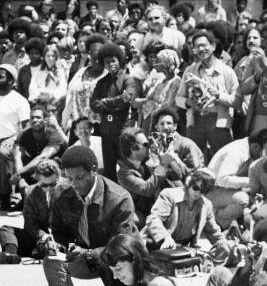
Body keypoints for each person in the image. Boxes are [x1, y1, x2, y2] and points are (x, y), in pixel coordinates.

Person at [41, 146, 138, 286]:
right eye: (69, 178)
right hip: (83, 257)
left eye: (80, 177)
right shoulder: (62, 194)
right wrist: (55, 245)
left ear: (94, 170)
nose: (74, 184)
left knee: (115, 267)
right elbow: (59, 231)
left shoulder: (119, 198)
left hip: (118, 260)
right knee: (51, 263)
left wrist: (88, 253)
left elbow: (120, 250)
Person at [177, 31, 239, 159]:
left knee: (221, 160)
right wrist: (188, 103)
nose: (201, 49)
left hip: (218, 122)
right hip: (195, 121)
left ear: (213, 46)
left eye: (204, 45)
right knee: (193, 160)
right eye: (197, 46)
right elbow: (178, 98)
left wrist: (218, 95)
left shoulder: (227, 71)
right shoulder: (189, 70)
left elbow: (237, 101)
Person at [0, 159, 62, 264]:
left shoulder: (68, 190)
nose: (49, 188)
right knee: (5, 230)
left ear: (59, 177)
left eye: (53, 184)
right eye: (44, 185)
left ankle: (38, 252)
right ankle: (10, 255)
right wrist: (46, 238)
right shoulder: (30, 192)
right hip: (43, 237)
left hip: (64, 239)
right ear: (38, 179)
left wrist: (57, 242)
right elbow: (30, 224)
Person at [0, 63, 30, 211]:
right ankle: (5, 198)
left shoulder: (19, 100)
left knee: (3, 153)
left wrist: (14, 139)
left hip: (13, 142)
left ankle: (9, 198)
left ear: (10, 81)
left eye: (0, 76)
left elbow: (26, 126)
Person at [143, 168, 225, 250]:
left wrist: (225, 245)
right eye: (195, 188)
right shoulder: (169, 195)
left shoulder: (206, 205)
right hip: (153, 243)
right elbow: (154, 219)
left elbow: (213, 231)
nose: (198, 193)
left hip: (179, 248)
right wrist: (165, 237)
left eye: (203, 191)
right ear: (189, 182)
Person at [91, 43, 139, 181]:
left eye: (113, 61)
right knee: (108, 169)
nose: (110, 64)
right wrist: (112, 105)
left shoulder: (127, 79)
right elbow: (93, 104)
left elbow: (126, 99)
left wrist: (105, 102)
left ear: (119, 60)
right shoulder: (101, 82)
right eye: (107, 62)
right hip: (106, 130)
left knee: (126, 167)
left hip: (122, 129)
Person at [116, 128, 174, 227]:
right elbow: (146, 189)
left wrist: (168, 155)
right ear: (133, 148)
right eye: (146, 144)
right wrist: (163, 164)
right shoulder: (124, 172)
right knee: (134, 220)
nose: (150, 146)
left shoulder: (148, 158)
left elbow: (178, 175)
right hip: (139, 211)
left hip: (157, 205)